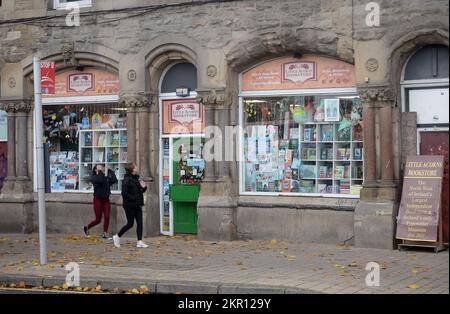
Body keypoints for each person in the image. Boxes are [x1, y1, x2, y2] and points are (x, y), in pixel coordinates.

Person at [113, 162, 148, 248]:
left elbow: (140, 191)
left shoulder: (136, 178)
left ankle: (139, 241)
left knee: (140, 223)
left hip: (137, 205)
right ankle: (117, 236)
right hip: (129, 205)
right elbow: (124, 193)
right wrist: (134, 198)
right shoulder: (127, 179)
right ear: (132, 169)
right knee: (130, 223)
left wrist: (144, 187)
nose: (136, 167)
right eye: (135, 166)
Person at [83, 164, 117, 239]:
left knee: (107, 217)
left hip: (106, 200)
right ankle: (87, 227)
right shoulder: (94, 178)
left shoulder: (105, 178)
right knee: (98, 219)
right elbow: (100, 180)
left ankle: (105, 233)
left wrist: (110, 171)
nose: (101, 167)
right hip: (98, 200)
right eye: (99, 167)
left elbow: (114, 180)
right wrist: (100, 171)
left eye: (102, 167)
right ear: (95, 170)